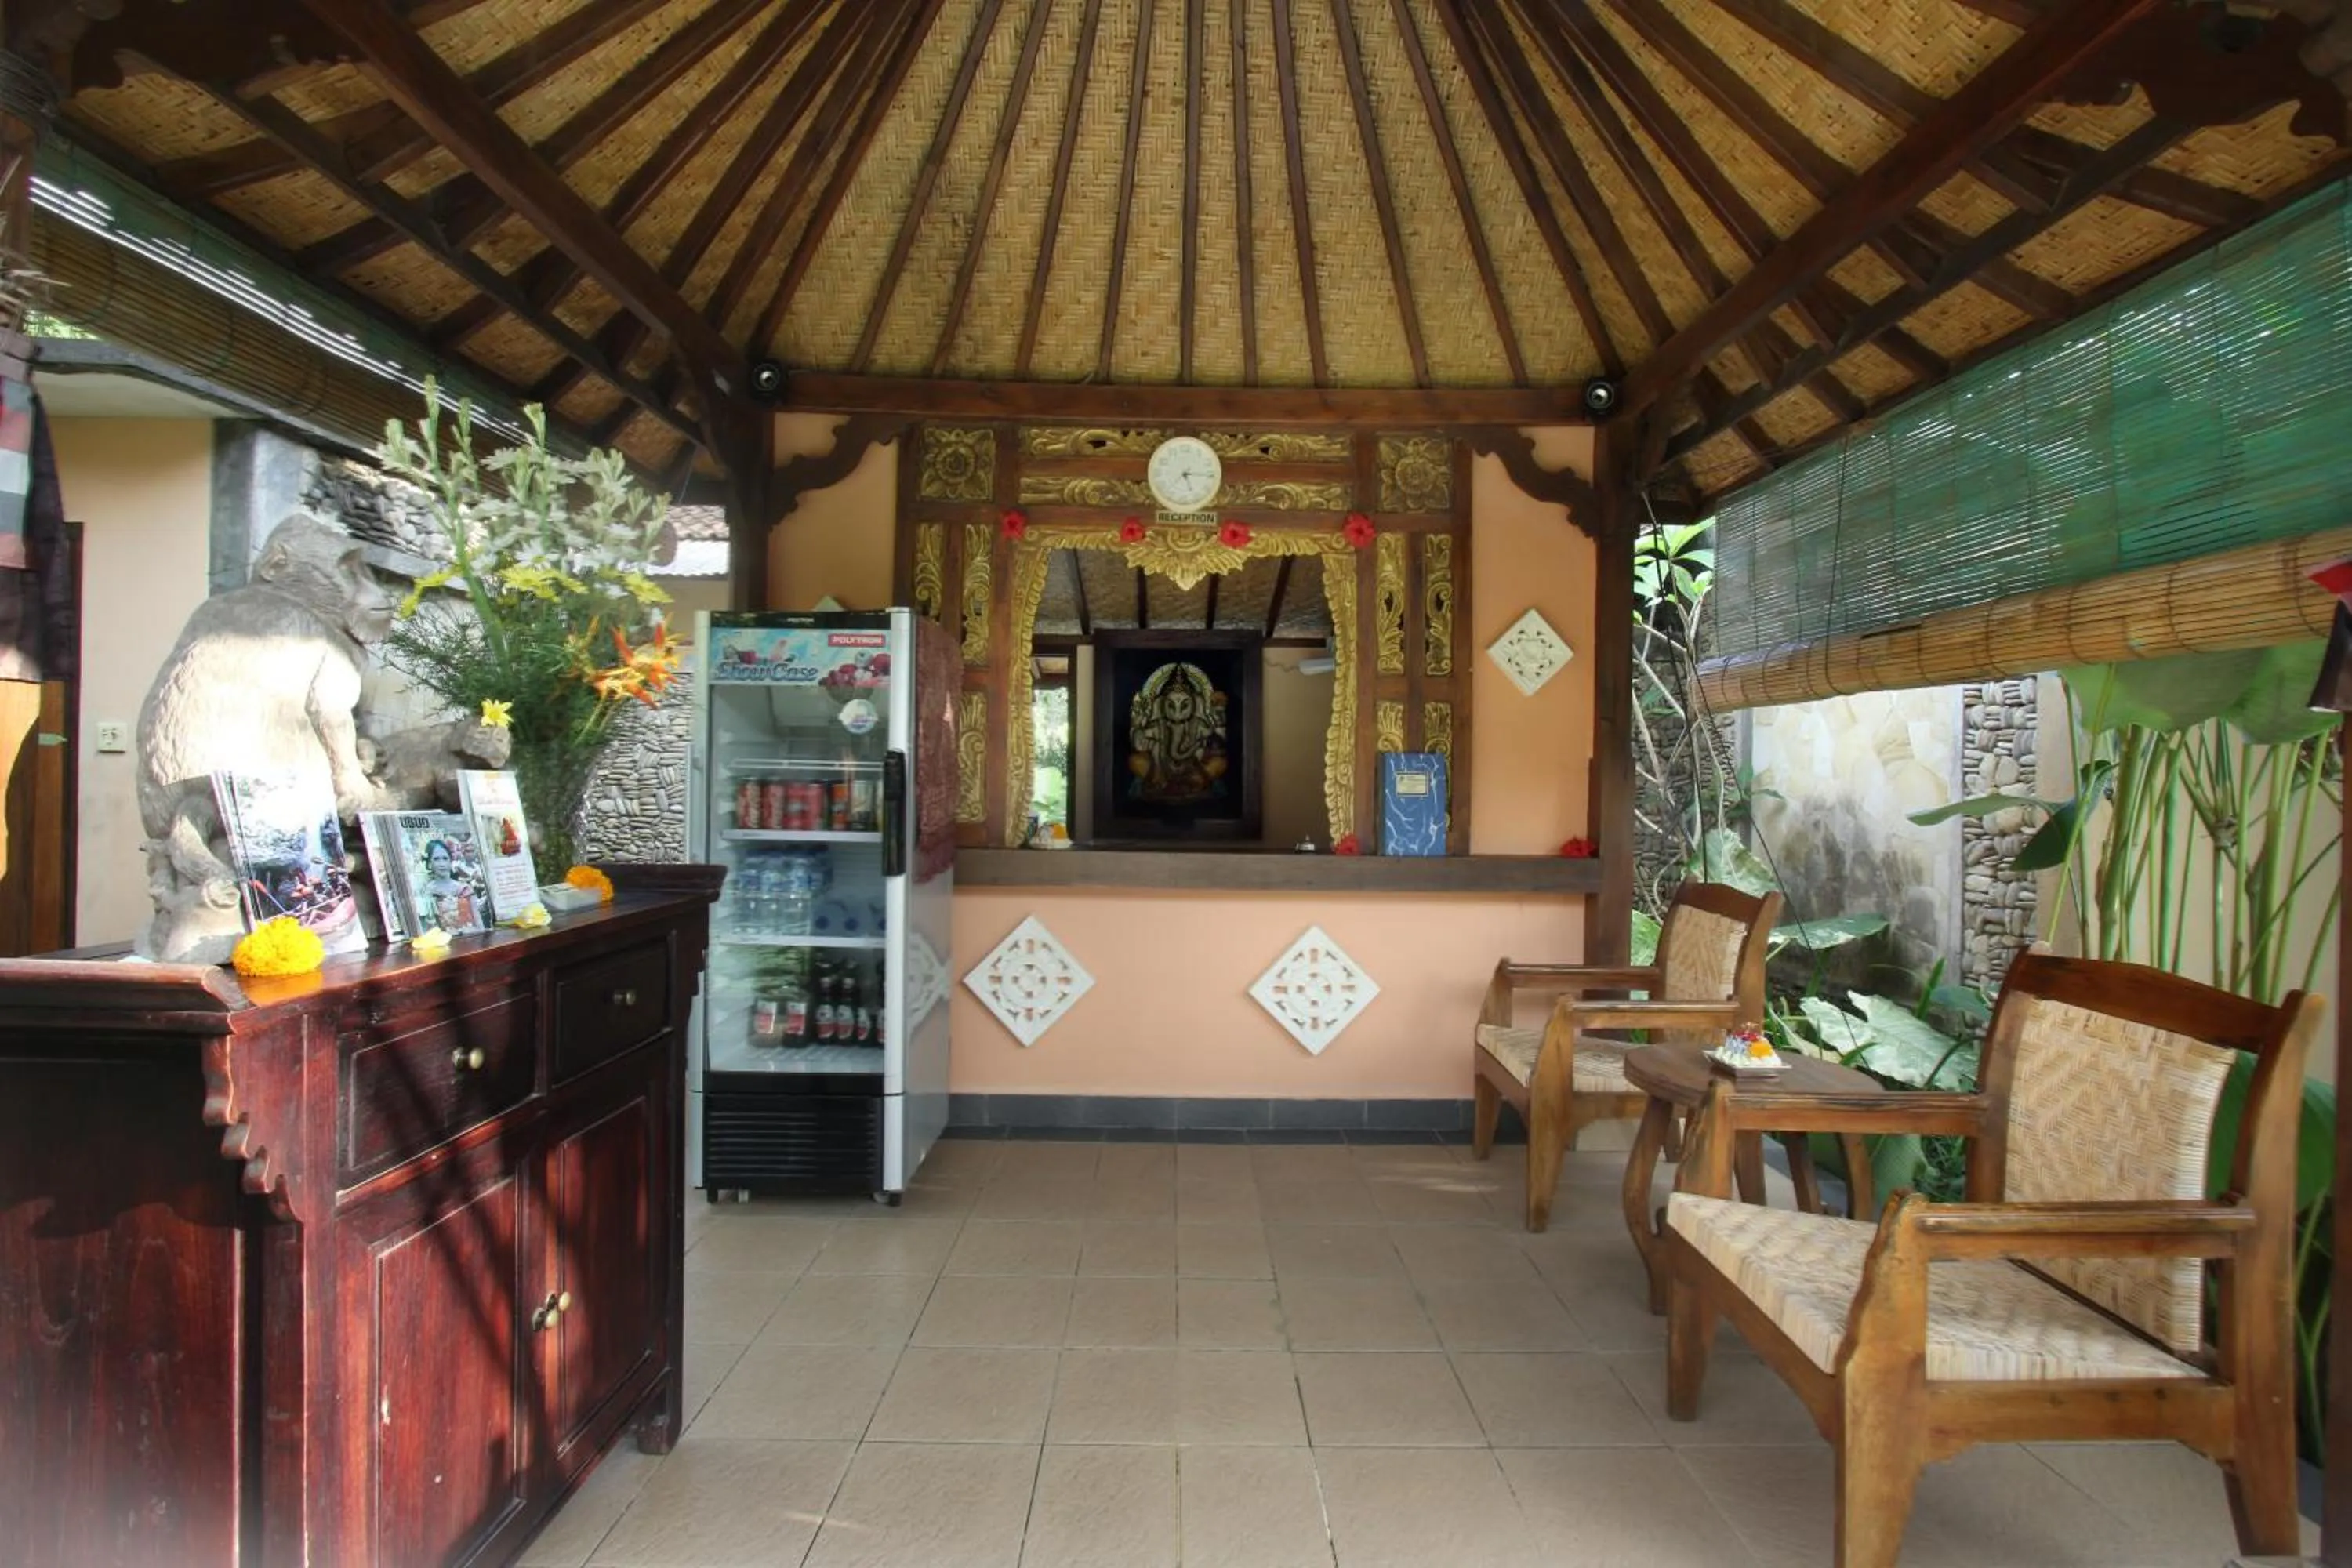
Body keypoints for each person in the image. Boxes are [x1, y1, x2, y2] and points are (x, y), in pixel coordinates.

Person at [420, 837, 479, 931]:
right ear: (430, 863)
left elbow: (478, 923)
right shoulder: (427, 892)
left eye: (445, 858)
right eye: (436, 859)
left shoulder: (465, 890)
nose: (442, 864)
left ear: (450, 861)